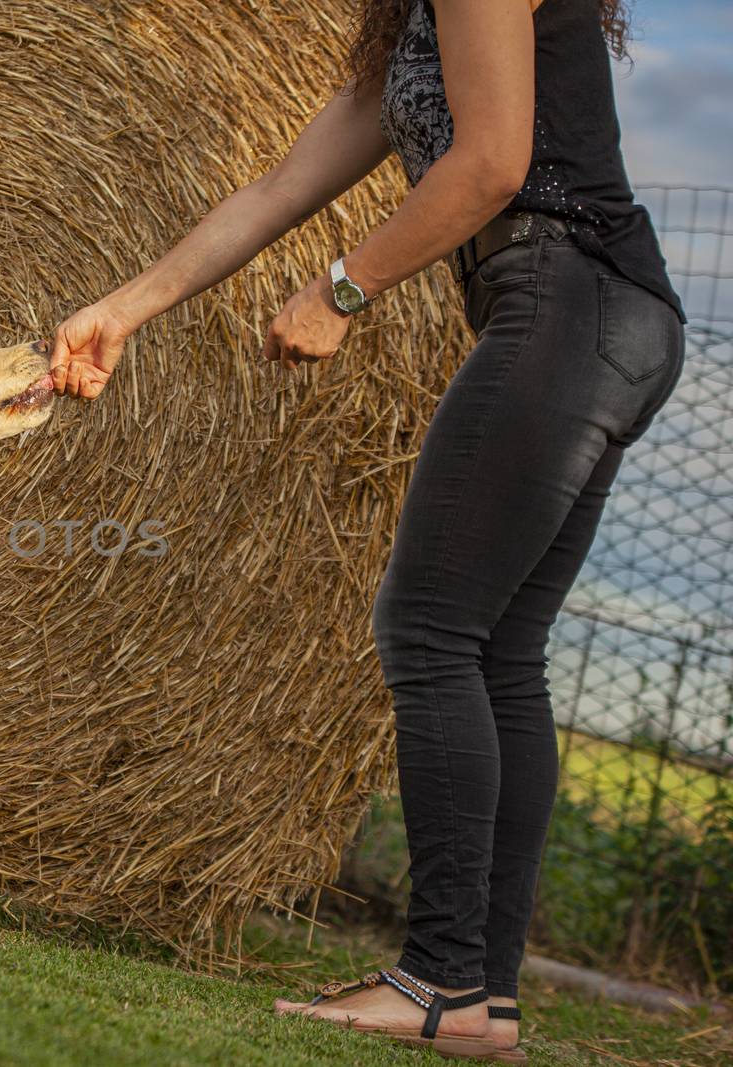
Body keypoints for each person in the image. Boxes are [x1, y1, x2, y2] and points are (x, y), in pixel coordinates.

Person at [49, 0, 685, 1061]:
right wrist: (121, 309)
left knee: (428, 630)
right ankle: (480, 1000)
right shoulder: (410, 36)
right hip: (609, 314)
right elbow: (276, 191)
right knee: (497, 654)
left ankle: (438, 977)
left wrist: (344, 288)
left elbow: (488, 164)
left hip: (566, 298)